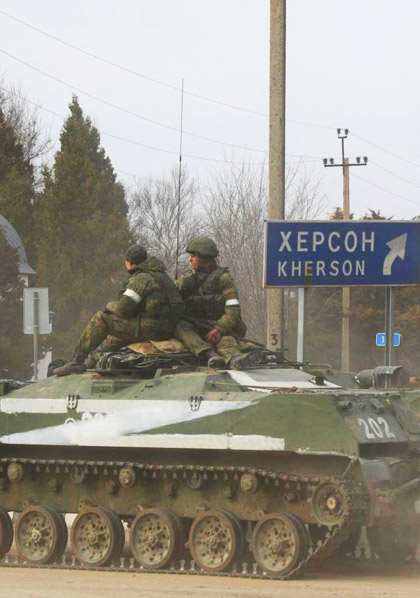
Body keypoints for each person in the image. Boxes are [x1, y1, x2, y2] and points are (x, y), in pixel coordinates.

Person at [53, 245, 184, 376]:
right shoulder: (162, 276)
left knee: (101, 318)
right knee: (115, 336)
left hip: (151, 329)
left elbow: (124, 310)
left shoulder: (142, 279)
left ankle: (77, 361)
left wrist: (109, 306)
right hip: (166, 329)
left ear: (129, 262)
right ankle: (94, 359)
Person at [174, 237, 262, 370]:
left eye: (193, 257)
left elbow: (233, 310)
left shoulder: (224, 279)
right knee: (180, 328)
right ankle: (210, 354)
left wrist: (219, 329)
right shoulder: (186, 279)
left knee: (227, 341)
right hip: (194, 326)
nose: (190, 260)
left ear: (203, 259)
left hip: (217, 325)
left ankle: (235, 359)